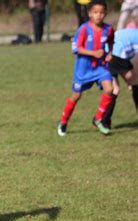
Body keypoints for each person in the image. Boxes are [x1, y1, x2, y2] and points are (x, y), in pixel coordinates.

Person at [57, 0, 115, 136]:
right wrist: (93, 53)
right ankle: (63, 122)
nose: (98, 15)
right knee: (76, 96)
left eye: (101, 12)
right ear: (89, 14)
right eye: (95, 12)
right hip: (83, 69)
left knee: (110, 89)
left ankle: (98, 119)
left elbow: (112, 41)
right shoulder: (83, 29)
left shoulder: (108, 29)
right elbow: (76, 48)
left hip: (100, 67)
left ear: (105, 13)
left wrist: (110, 53)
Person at [102, 28, 138, 126]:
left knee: (115, 89)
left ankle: (103, 120)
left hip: (106, 51)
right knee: (135, 83)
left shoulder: (133, 32)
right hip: (116, 53)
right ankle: (104, 120)